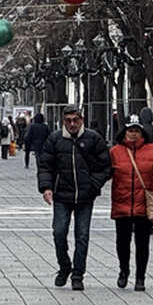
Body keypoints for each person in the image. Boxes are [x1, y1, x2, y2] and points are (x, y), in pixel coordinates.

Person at [37, 106, 110, 291]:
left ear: (81, 120)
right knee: (59, 232)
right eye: (68, 120)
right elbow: (45, 165)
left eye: (75, 120)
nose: (72, 124)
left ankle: (78, 274)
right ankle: (64, 265)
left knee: (82, 236)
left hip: (85, 195)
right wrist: (47, 187)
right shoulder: (55, 139)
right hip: (62, 194)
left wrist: (94, 184)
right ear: (63, 121)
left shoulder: (93, 139)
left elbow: (105, 166)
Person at [109, 116, 153, 290]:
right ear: (124, 132)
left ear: (142, 132)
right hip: (122, 203)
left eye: (136, 131)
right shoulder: (115, 152)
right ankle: (124, 270)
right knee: (122, 242)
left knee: (142, 243)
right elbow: (105, 172)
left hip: (145, 204)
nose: (133, 134)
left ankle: (140, 277)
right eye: (130, 130)